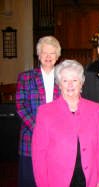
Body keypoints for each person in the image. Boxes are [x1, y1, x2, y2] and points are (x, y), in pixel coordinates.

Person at [32, 60, 99, 187]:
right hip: (56, 180)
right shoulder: (45, 112)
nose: (70, 85)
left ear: (81, 83)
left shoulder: (95, 109)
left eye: (74, 80)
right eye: (65, 81)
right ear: (59, 84)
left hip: (88, 179)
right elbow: (39, 154)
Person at [16, 35, 61, 187]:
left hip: (57, 139)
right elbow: (20, 106)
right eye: (44, 52)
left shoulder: (64, 78)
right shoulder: (26, 77)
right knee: (31, 180)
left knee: (54, 179)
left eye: (52, 53)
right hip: (31, 137)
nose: (48, 56)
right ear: (38, 55)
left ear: (58, 56)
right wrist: (38, 128)